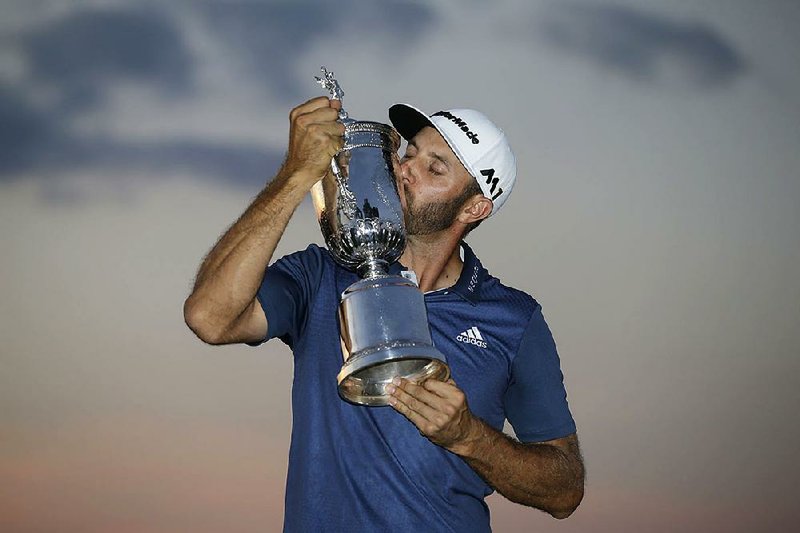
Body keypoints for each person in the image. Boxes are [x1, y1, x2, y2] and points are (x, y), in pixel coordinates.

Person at [184, 96, 585, 532]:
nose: (405, 168)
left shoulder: (513, 320)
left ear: (474, 208)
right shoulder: (323, 275)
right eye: (409, 153)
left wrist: (469, 437)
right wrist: (295, 174)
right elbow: (210, 317)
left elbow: (564, 490)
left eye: (435, 168)